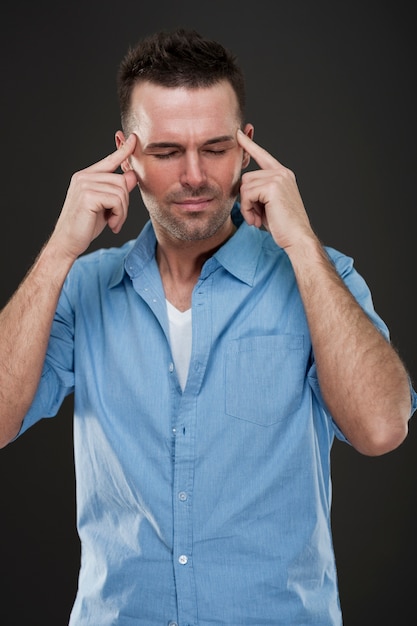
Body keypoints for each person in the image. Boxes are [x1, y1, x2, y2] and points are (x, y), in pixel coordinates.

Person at [0, 28, 415, 626]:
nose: (194, 176)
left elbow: (382, 429)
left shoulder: (321, 277)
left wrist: (300, 244)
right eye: (167, 152)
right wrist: (59, 252)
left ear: (247, 148)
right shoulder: (80, 288)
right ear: (126, 155)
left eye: (215, 148)